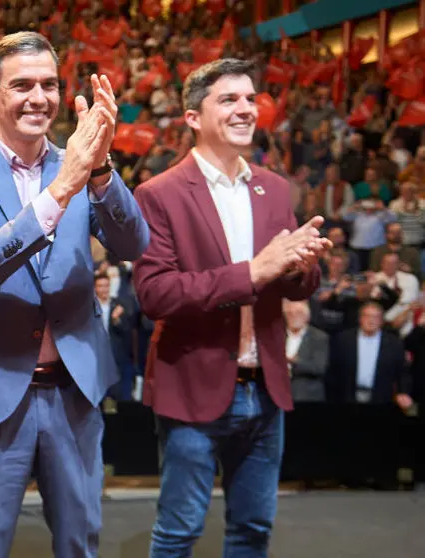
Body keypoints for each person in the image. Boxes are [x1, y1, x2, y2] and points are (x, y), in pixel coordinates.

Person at [0, 32, 150, 557]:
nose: (39, 98)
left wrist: (97, 168)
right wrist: (60, 190)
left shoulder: (80, 166)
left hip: (73, 394)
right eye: (22, 85)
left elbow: (132, 243)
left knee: (80, 544)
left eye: (49, 85)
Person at [131, 59, 332, 557]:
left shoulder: (275, 188)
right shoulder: (158, 194)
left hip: (265, 390)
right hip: (193, 385)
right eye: (229, 99)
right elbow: (156, 294)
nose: (246, 109)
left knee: (253, 531)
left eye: (250, 98)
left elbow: (298, 287)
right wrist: (255, 272)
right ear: (193, 117)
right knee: (178, 533)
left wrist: (302, 265)